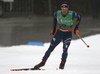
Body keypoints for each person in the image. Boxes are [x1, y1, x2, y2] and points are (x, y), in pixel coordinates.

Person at [33, 1, 81, 70]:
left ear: (68, 8)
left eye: (65, 8)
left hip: (68, 34)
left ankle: (62, 64)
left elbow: (79, 17)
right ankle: (43, 62)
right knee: (50, 48)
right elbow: (54, 19)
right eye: (62, 8)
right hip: (59, 33)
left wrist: (76, 28)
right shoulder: (57, 14)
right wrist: (54, 29)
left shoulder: (72, 14)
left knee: (65, 49)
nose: (64, 10)